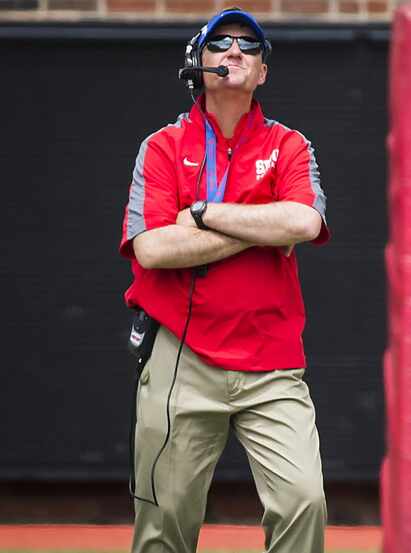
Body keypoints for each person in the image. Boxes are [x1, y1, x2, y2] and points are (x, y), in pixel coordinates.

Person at [119, 8, 330, 553]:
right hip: (180, 357)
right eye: (220, 43)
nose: (234, 52)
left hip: (272, 362)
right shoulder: (161, 147)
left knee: (303, 500)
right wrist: (262, 225)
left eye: (249, 46)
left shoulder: (290, 145)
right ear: (198, 62)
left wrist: (205, 213)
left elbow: (304, 222)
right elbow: (153, 247)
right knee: (165, 526)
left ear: (263, 72)